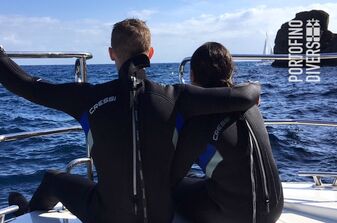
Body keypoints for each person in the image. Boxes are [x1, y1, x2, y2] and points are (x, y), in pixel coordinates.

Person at [0, 20, 260, 223]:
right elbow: (242, 95)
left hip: (106, 216)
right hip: (161, 217)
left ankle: (28, 213)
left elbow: (28, 86)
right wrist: (254, 89)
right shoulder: (177, 97)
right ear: (151, 53)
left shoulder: (87, 98)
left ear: (111, 54)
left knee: (53, 179)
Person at [171, 42, 283, 223]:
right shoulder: (250, 103)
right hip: (275, 208)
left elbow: (174, 172)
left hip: (234, 216)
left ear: (192, 75)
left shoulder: (199, 119)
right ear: (231, 72)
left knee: (176, 187)